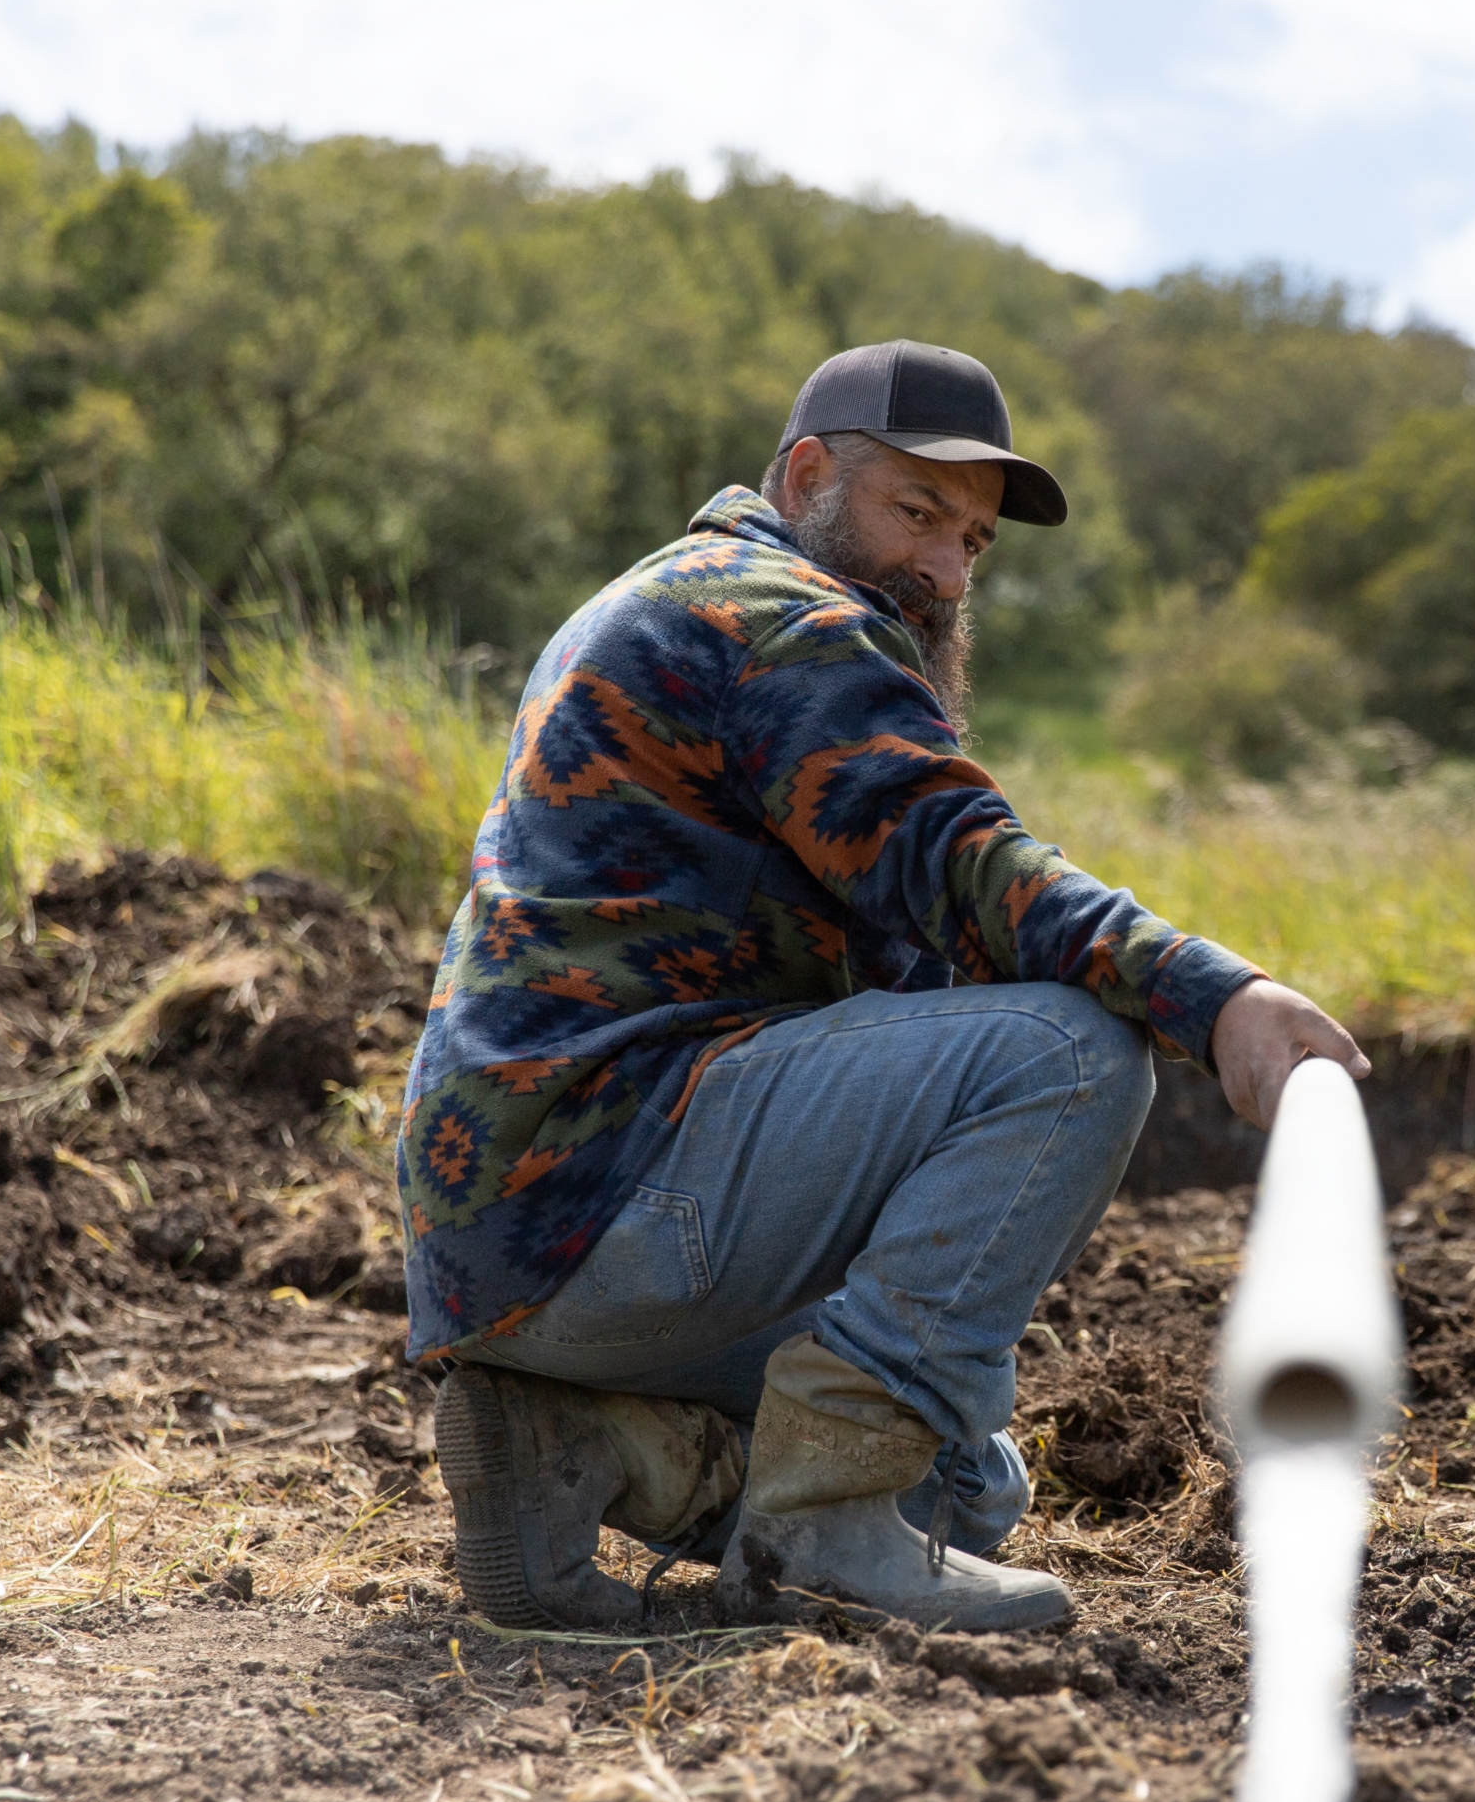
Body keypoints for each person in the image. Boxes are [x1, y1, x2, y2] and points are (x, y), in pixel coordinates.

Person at [396, 340, 1367, 1632]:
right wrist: (1213, 996)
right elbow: (958, 867)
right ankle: (815, 1525)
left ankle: (583, 1451)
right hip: (609, 1187)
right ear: (807, 473)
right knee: (1067, 1050)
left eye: (973, 543)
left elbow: (913, 953)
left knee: (965, 1494)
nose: (945, 569)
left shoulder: (656, 600)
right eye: (918, 512)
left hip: (510, 1247)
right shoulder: (777, 615)